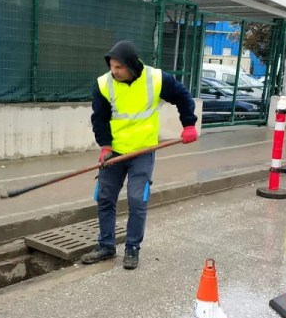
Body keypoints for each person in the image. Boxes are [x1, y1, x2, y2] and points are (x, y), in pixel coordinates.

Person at [81, 40, 198, 270]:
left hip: (143, 152)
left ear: (131, 66)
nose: (113, 72)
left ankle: (132, 248)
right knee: (104, 198)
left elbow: (183, 96)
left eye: (118, 67)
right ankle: (106, 245)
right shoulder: (104, 84)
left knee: (137, 199)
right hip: (115, 153)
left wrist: (189, 125)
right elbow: (100, 119)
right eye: (111, 67)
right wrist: (105, 146)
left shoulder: (156, 79)